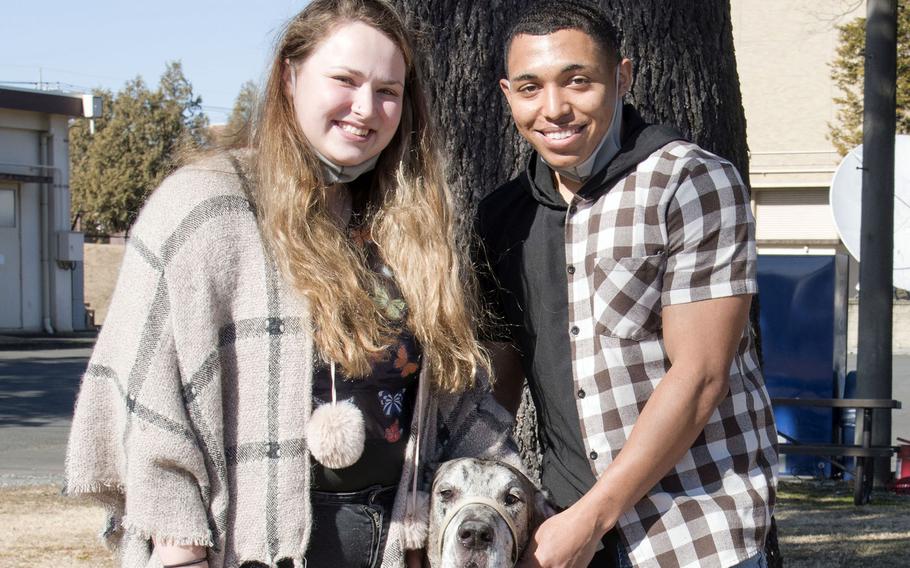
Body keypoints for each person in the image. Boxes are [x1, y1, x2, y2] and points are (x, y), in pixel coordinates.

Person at [65, 1, 517, 567]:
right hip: (245, 549)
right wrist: (180, 539)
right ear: (290, 76)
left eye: (387, 91)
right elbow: (154, 392)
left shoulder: (408, 228)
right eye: (345, 80)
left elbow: (454, 400)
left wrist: (519, 492)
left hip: (394, 545)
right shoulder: (205, 206)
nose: (365, 108)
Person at [476, 2, 779, 567]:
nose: (554, 108)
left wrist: (591, 518)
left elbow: (701, 376)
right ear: (506, 93)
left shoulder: (690, 182)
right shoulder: (500, 216)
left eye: (578, 81)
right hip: (563, 530)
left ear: (623, 77)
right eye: (529, 87)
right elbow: (500, 382)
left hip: (692, 534)